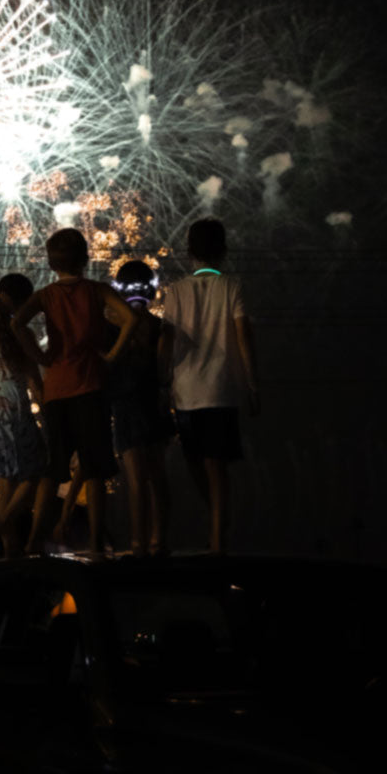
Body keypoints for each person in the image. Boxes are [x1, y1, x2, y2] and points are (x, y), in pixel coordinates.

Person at [12, 228, 136, 555]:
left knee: (53, 470)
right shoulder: (97, 291)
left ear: (52, 263)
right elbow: (129, 320)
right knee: (95, 469)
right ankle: (96, 541)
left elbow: (16, 324)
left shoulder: (45, 295)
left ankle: (33, 540)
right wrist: (112, 356)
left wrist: (40, 358)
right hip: (90, 387)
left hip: (55, 390)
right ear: (85, 257)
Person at [158, 218, 260, 553]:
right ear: (223, 249)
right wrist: (252, 385)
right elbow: (244, 335)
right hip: (221, 390)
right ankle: (219, 530)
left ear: (189, 252)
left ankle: (217, 535)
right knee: (215, 468)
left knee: (199, 465)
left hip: (184, 393)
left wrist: (162, 379)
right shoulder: (231, 286)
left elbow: (167, 340)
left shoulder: (176, 291)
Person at [107, 259, 172, 556]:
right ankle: (160, 539)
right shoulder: (161, 327)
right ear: (152, 289)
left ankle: (138, 543)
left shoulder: (111, 325)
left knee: (135, 479)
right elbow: (164, 368)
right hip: (154, 403)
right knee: (158, 476)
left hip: (125, 402)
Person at [0, 273, 46, 558]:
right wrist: (46, 411)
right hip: (13, 408)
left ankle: (10, 551)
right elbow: (33, 379)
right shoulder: (23, 333)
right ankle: (3, 523)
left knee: (5, 478)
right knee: (38, 469)